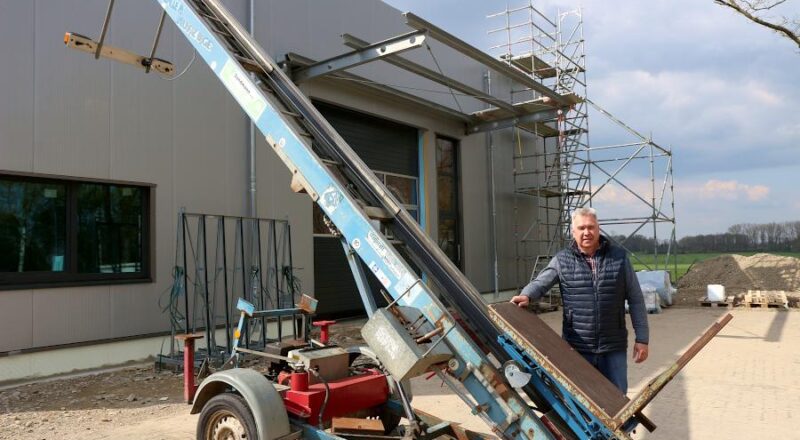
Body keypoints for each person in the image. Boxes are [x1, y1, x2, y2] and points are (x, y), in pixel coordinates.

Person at [510, 207, 649, 394]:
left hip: (613, 346)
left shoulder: (619, 258)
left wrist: (642, 339)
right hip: (577, 347)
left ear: (598, 229)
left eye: (591, 227)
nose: (586, 232)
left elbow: (636, 299)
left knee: (617, 400)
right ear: (573, 232)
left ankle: (618, 425)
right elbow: (541, 283)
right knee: (581, 400)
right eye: (581, 228)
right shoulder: (562, 260)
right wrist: (526, 295)